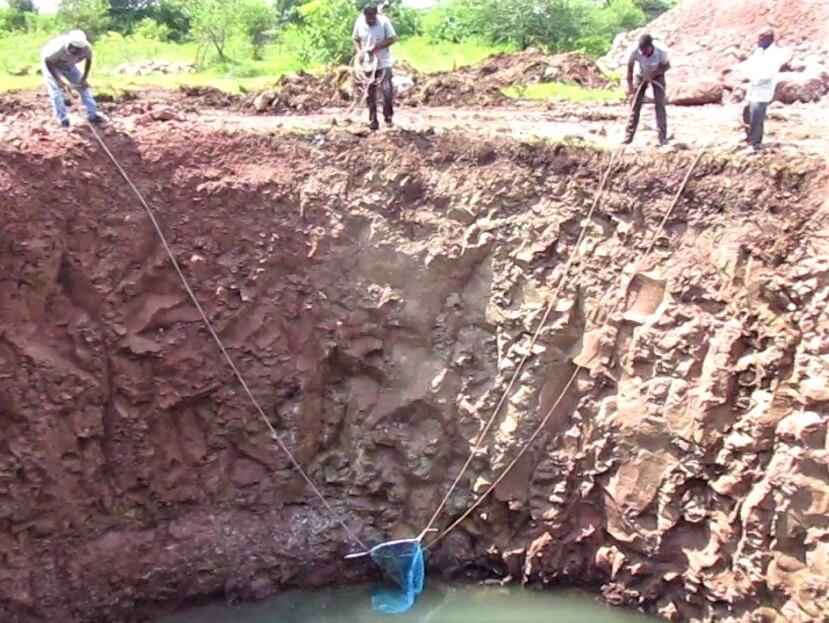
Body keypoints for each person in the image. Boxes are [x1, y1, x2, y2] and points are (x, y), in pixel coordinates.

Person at [41, 29, 103, 128]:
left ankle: (93, 114)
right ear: (70, 45)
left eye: (80, 49)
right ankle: (62, 118)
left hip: (69, 65)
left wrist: (84, 78)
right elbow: (48, 62)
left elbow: (88, 60)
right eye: (75, 49)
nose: (78, 51)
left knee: (84, 88)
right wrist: (60, 80)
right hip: (52, 65)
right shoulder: (57, 49)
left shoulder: (87, 48)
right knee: (56, 93)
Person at [742, 28, 791, 152]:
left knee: (756, 117)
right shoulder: (759, 52)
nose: (758, 40)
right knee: (747, 113)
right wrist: (747, 74)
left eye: (761, 38)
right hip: (753, 87)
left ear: (769, 39)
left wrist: (755, 79)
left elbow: (769, 74)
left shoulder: (774, 54)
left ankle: (755, 143)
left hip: (762, 89)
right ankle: (748, 138)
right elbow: (749, 64)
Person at [353, 4, 398, 131]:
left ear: (376, 15)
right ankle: (373, 120)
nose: (371, 19)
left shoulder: (384, 22)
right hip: (368, 63)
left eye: (373, 16)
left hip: (383, 62)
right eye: (368, 17)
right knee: (369, 92)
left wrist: (377, 47)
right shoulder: (359, 22)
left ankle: (388, 116)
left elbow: (392, 39)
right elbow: (356, 39)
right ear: (365, 15)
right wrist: (360, 52)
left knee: (387, 90)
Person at [624, 34, 671, 146]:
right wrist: (630, 91)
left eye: (645, 51)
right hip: (640, 75)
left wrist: (653, 74)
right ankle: (628, 137)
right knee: (635, 105)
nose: (643, 54)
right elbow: (629, 71)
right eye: (641, 51)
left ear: (651, 46)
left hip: (658, 74)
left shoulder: (661, 51)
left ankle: (662, 137)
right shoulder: (633, 51)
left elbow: (667, 66)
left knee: (660, 104)